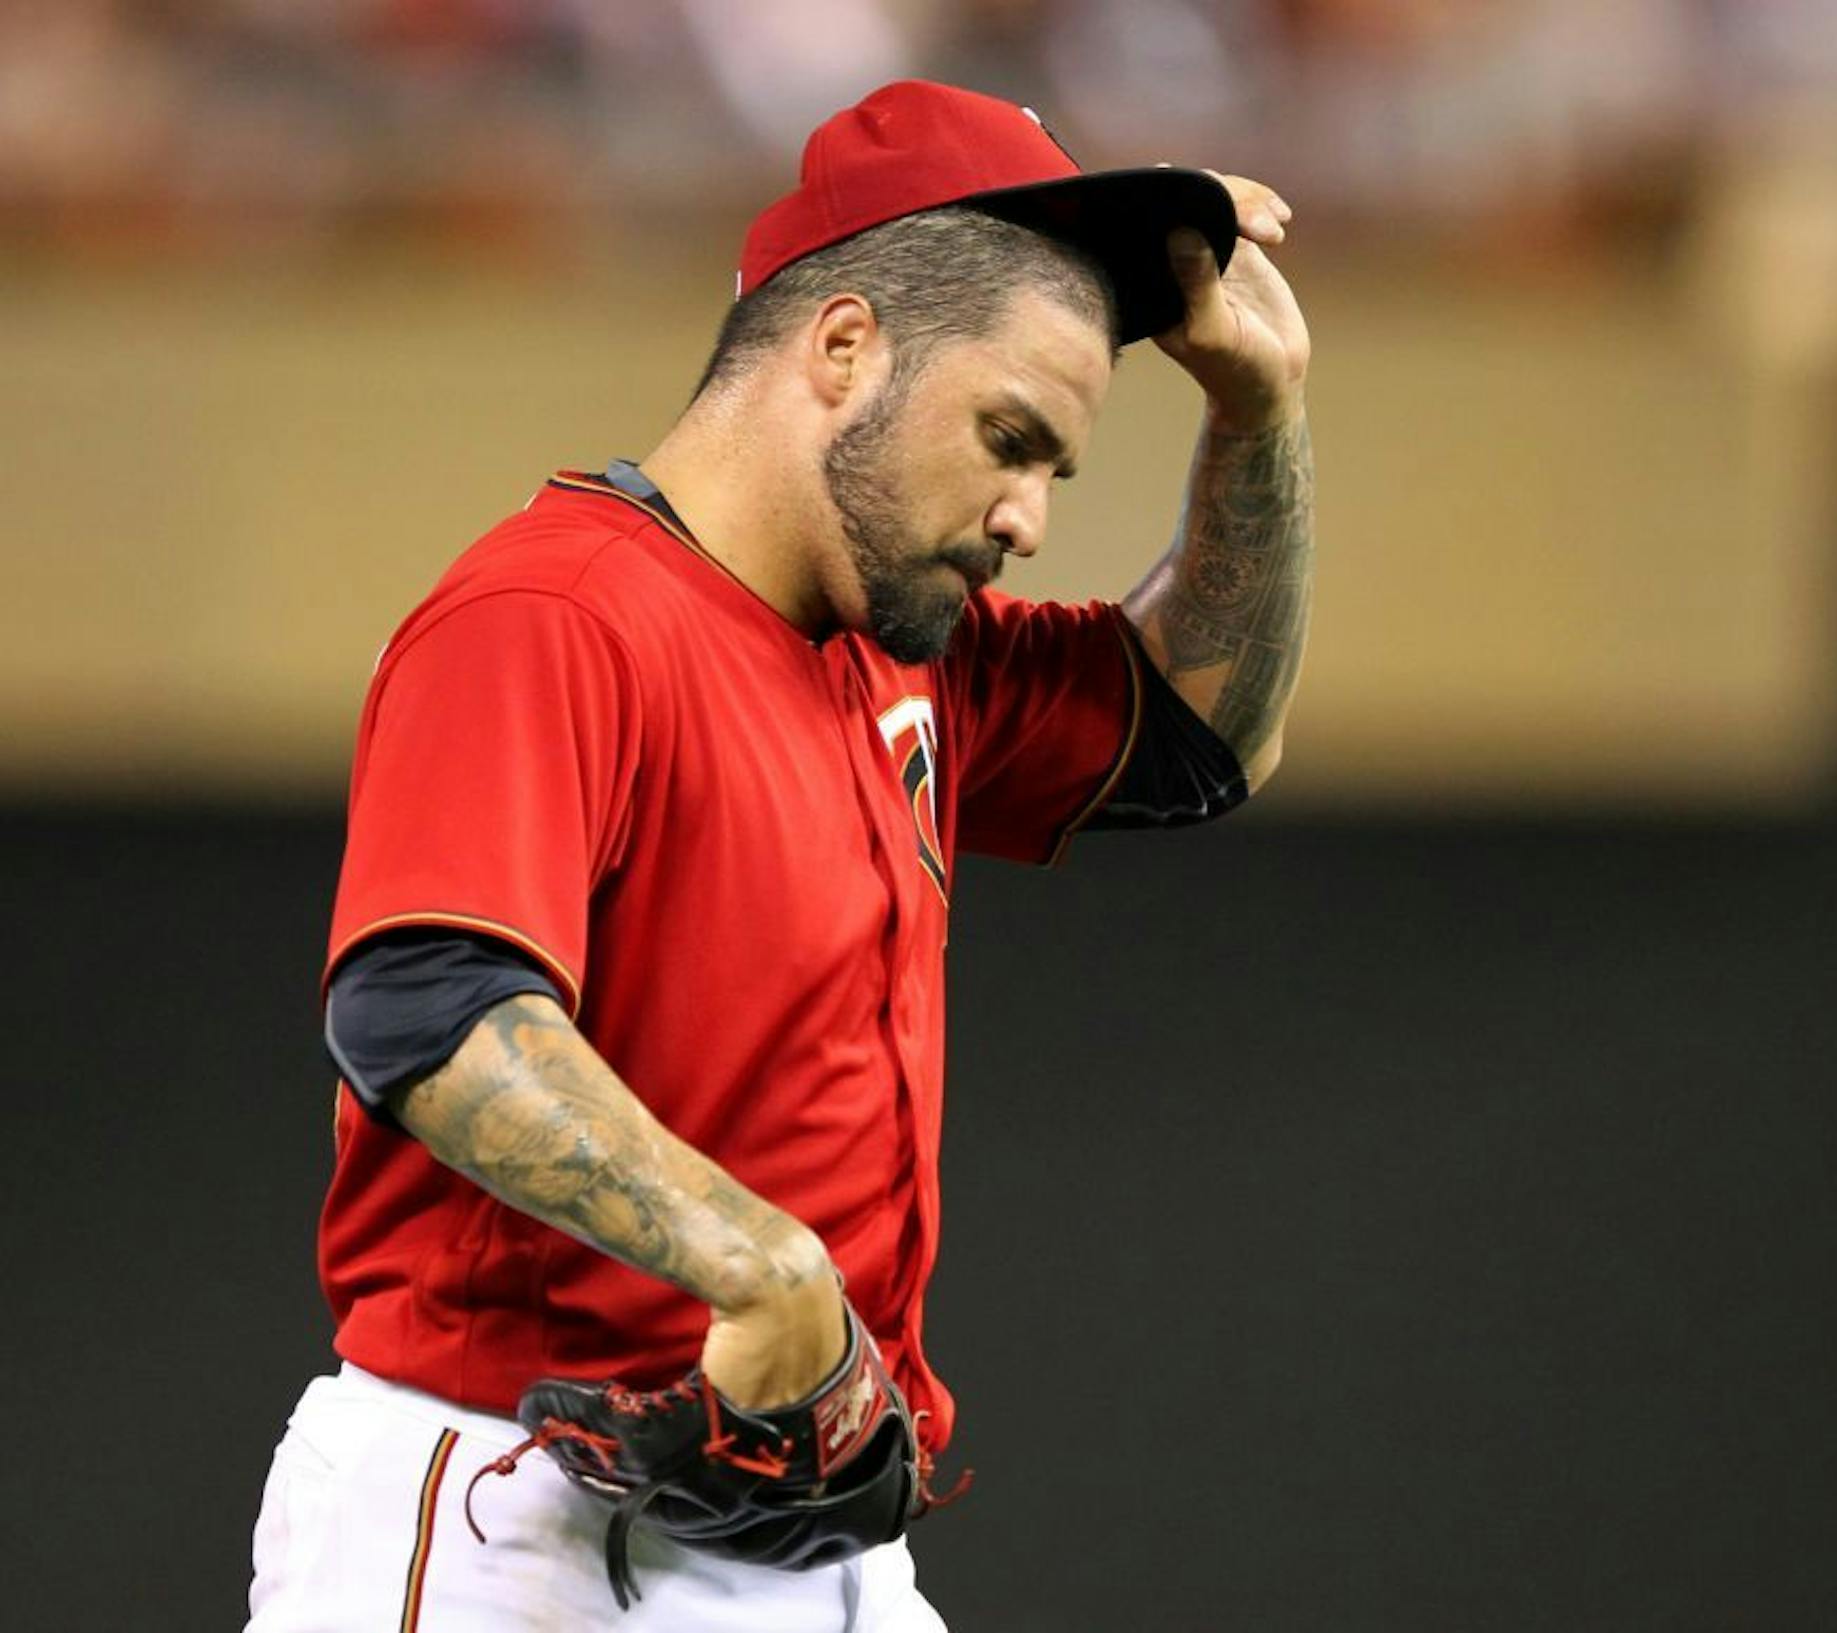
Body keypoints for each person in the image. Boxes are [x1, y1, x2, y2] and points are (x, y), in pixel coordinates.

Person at [245, 79, 1313, 1631]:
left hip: (823, 1548)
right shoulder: (555, 613)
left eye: (1055, 473)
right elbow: (425, 1006)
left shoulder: (904, 647)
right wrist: (758, 1260)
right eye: (1010, 440)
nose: (1026, 516)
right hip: (520, 1519)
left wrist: (1261, 413)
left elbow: (1205, 736)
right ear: (842, 346)